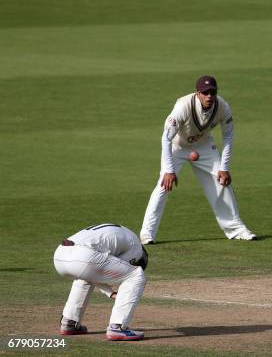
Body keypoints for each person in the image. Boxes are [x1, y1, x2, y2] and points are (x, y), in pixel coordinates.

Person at [140, 76, 256, 244]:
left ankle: (236, 229)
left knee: (222, 181)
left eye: (213, 92)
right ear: (198, 93)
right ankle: (147, 234)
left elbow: (228, 136)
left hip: (203, 146)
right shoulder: (183, 106)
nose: (209, 96)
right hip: (177, 146)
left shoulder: (223, 107)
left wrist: (224, 167)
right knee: (163, 186)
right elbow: (166, 139)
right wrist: (169, 171)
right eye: (205, 93)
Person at [53, 223, 148, 341]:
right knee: (136, 275)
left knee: (86, 274)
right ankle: (117, 328)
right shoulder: (137, 249)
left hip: (59, 255)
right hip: (82, 256)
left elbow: (95, 274)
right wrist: (111, 293)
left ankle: (69, 322)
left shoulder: (125, 234)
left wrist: (109, 292)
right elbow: (101, 271)